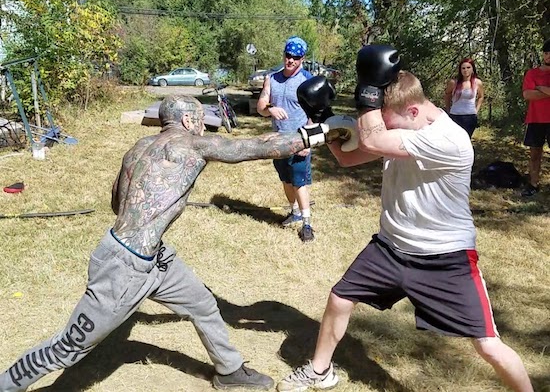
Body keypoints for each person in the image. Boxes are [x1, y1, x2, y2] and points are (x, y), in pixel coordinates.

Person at [0, 94, 338, 392]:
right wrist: (317, 134)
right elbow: (252, 148)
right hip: (124, 266)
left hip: (154, 256)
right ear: (188, 120)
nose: (204, 129)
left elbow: (117, 203)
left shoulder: (137, 148)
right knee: (68, 348)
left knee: (203, 304)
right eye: (201, 122)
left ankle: (230, 371)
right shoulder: (190, 144)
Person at [277, 45, 534, 392]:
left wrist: (366, 92)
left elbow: (373, 138)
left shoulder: (449, 140)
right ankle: (320, 371)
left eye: (388, 118)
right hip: (390, 247)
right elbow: (350, 158)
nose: (382, 124)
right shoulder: (400, 127)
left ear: (413, 110)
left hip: (445, 259)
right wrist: (322, 119)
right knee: (339, 299)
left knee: (488, 345)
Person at [257, 36, 315, 242]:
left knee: (300, 182)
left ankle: (307, 225)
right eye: (288, 56)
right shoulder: (271, 78)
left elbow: (315, 114)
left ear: (303, 59)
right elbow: (261, 107)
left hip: (299, 140)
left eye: (296, 58)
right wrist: (271, 109)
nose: (290, 61)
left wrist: (307, 142)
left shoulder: (308, 81)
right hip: (277, 140)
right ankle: (294, 212)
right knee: (286, 180)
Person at [521, 38, 550, 197]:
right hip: (536, 119)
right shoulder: (532, 73)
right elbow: (527, 94)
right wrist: (546, 91)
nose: (548, 56)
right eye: (546, 53)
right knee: (534, 154)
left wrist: (539, 88)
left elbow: (534, 92)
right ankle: (533, 184)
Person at [444, 57, 485, 138]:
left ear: (473, 69)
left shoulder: (477, 82)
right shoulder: (453, 83)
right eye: (463, 68)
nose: (465, 70)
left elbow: (481, 97)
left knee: (466, 140)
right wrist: (448, 110)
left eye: (468, 67)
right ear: (460, 70)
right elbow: (447, 95)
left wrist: (476, 110)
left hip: (470, 117)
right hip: (455, 116)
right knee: (455, 140)